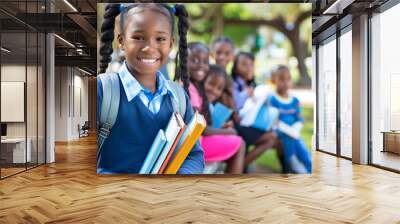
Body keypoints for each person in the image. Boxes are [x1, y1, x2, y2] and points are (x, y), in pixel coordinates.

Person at [97, 3, 204, 174]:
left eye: (160, 39)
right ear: (121, 41)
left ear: (170, 44)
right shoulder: (103, 91)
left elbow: (193, 154)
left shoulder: (178, 97)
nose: (149, 47)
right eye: (138, 37)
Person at [186, 43, 246, 174]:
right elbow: (199, 129)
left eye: (205, 62)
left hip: (194, 143)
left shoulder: (192, 88)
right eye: (195, 60)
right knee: (240, 144)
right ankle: (232, 190)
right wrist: (229, 132)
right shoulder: (191, 91)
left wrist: (221, 129)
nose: (201, 65)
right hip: (193, 146)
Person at [270, 65, 312, 173]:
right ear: (274, 80)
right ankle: (291, 162)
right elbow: (273, 121)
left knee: (302, 148)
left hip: (294, 132)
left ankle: (308, 166)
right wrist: (288, 130)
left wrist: (295, 129)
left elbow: (300, 119)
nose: (285, 82)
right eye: (281, 79)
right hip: (280, 131)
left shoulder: (294, 101)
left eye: (288, 79)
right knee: (288, 138)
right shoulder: (273, 100)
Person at [210, 36, 239, 123]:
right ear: (212, 54)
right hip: (213, 118)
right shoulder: (209, 73)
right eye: (218, 53)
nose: (222, 57)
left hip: (226, 119)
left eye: (227, 54)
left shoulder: (229, 77)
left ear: (232, 56)